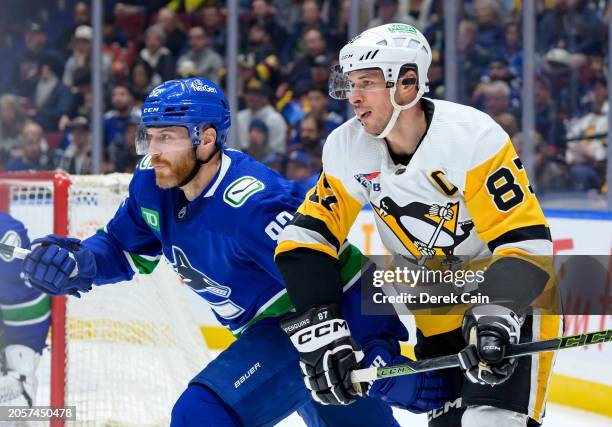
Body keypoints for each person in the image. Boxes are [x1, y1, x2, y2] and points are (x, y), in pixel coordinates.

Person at [21, 77, 451, 426]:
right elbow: (120, 244)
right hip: (275, 338)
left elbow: (345, 270)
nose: (154, 152)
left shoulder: (253, 204)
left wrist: (380, 346)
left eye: (167, 138)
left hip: (306, 329)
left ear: (206, 139)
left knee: (201, 415)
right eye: (150, 137)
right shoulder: (152, 185)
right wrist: (79, 261)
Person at [274, 23, 561, 427]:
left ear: (407, 84)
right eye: (351, 83)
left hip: (513, 308)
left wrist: (498, 312)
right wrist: (319, 328)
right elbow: (305, 240)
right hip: (437, 316)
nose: (354, 97)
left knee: (489, 422)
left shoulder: (471, 137)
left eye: (368, 83)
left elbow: (527, 241)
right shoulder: (347, 147)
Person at [0, 213, 51, 407]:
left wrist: (21, 366)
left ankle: (19, 387)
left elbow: (22, 293)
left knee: (14, 404)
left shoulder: (4, 232)